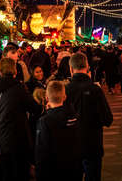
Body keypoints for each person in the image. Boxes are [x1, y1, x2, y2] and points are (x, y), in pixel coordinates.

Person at [0, 58, 42, 181]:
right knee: (20, 173)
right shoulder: (18, 88)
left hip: (0, 137)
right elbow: (35, 108)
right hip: (17, 137)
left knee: (6, 172)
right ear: (14, 70)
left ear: (0, 71)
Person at [66, 53, 113, 181]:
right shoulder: (95, 90)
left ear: (71, 69)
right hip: (92, 144)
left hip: (71, 145)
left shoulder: (65, 90)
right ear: (87, 68)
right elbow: (108, 119)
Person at [35, 81, 82, 181]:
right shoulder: (73, 117)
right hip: (73, 168)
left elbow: (42, 151)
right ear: (64, 97)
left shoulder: (44, 121)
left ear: (47, 98)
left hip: (53, 171)